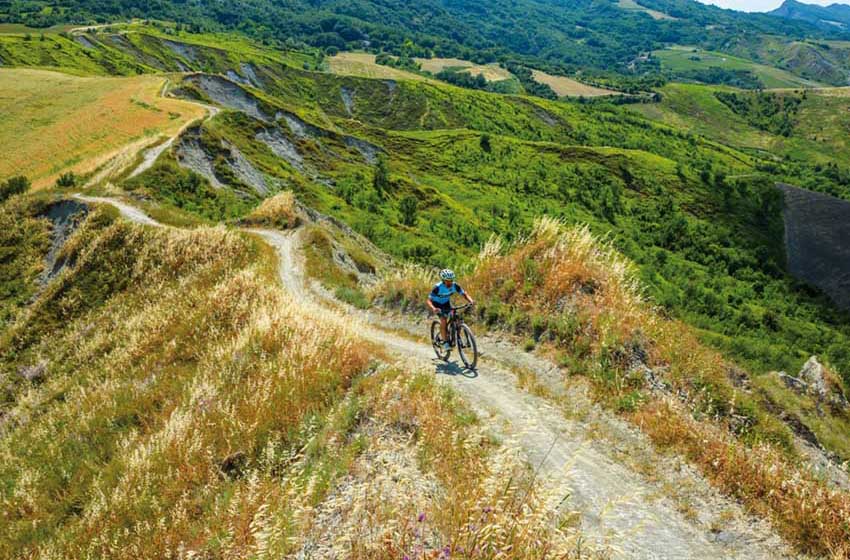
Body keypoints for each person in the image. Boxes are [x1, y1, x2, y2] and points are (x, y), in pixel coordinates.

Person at [426, 269, 474, 351]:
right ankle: (445, 342)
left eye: (451, 280)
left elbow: (464, 294)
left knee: (457, 318)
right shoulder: (437, 287)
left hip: (446, 303)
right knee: (443, 320)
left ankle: (456, 336)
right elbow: (429, 300)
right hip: (437, 305)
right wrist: (433, 308)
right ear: (443, 280)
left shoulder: (455, 285)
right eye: (447, 281)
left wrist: (471, 301)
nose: (449, 282)